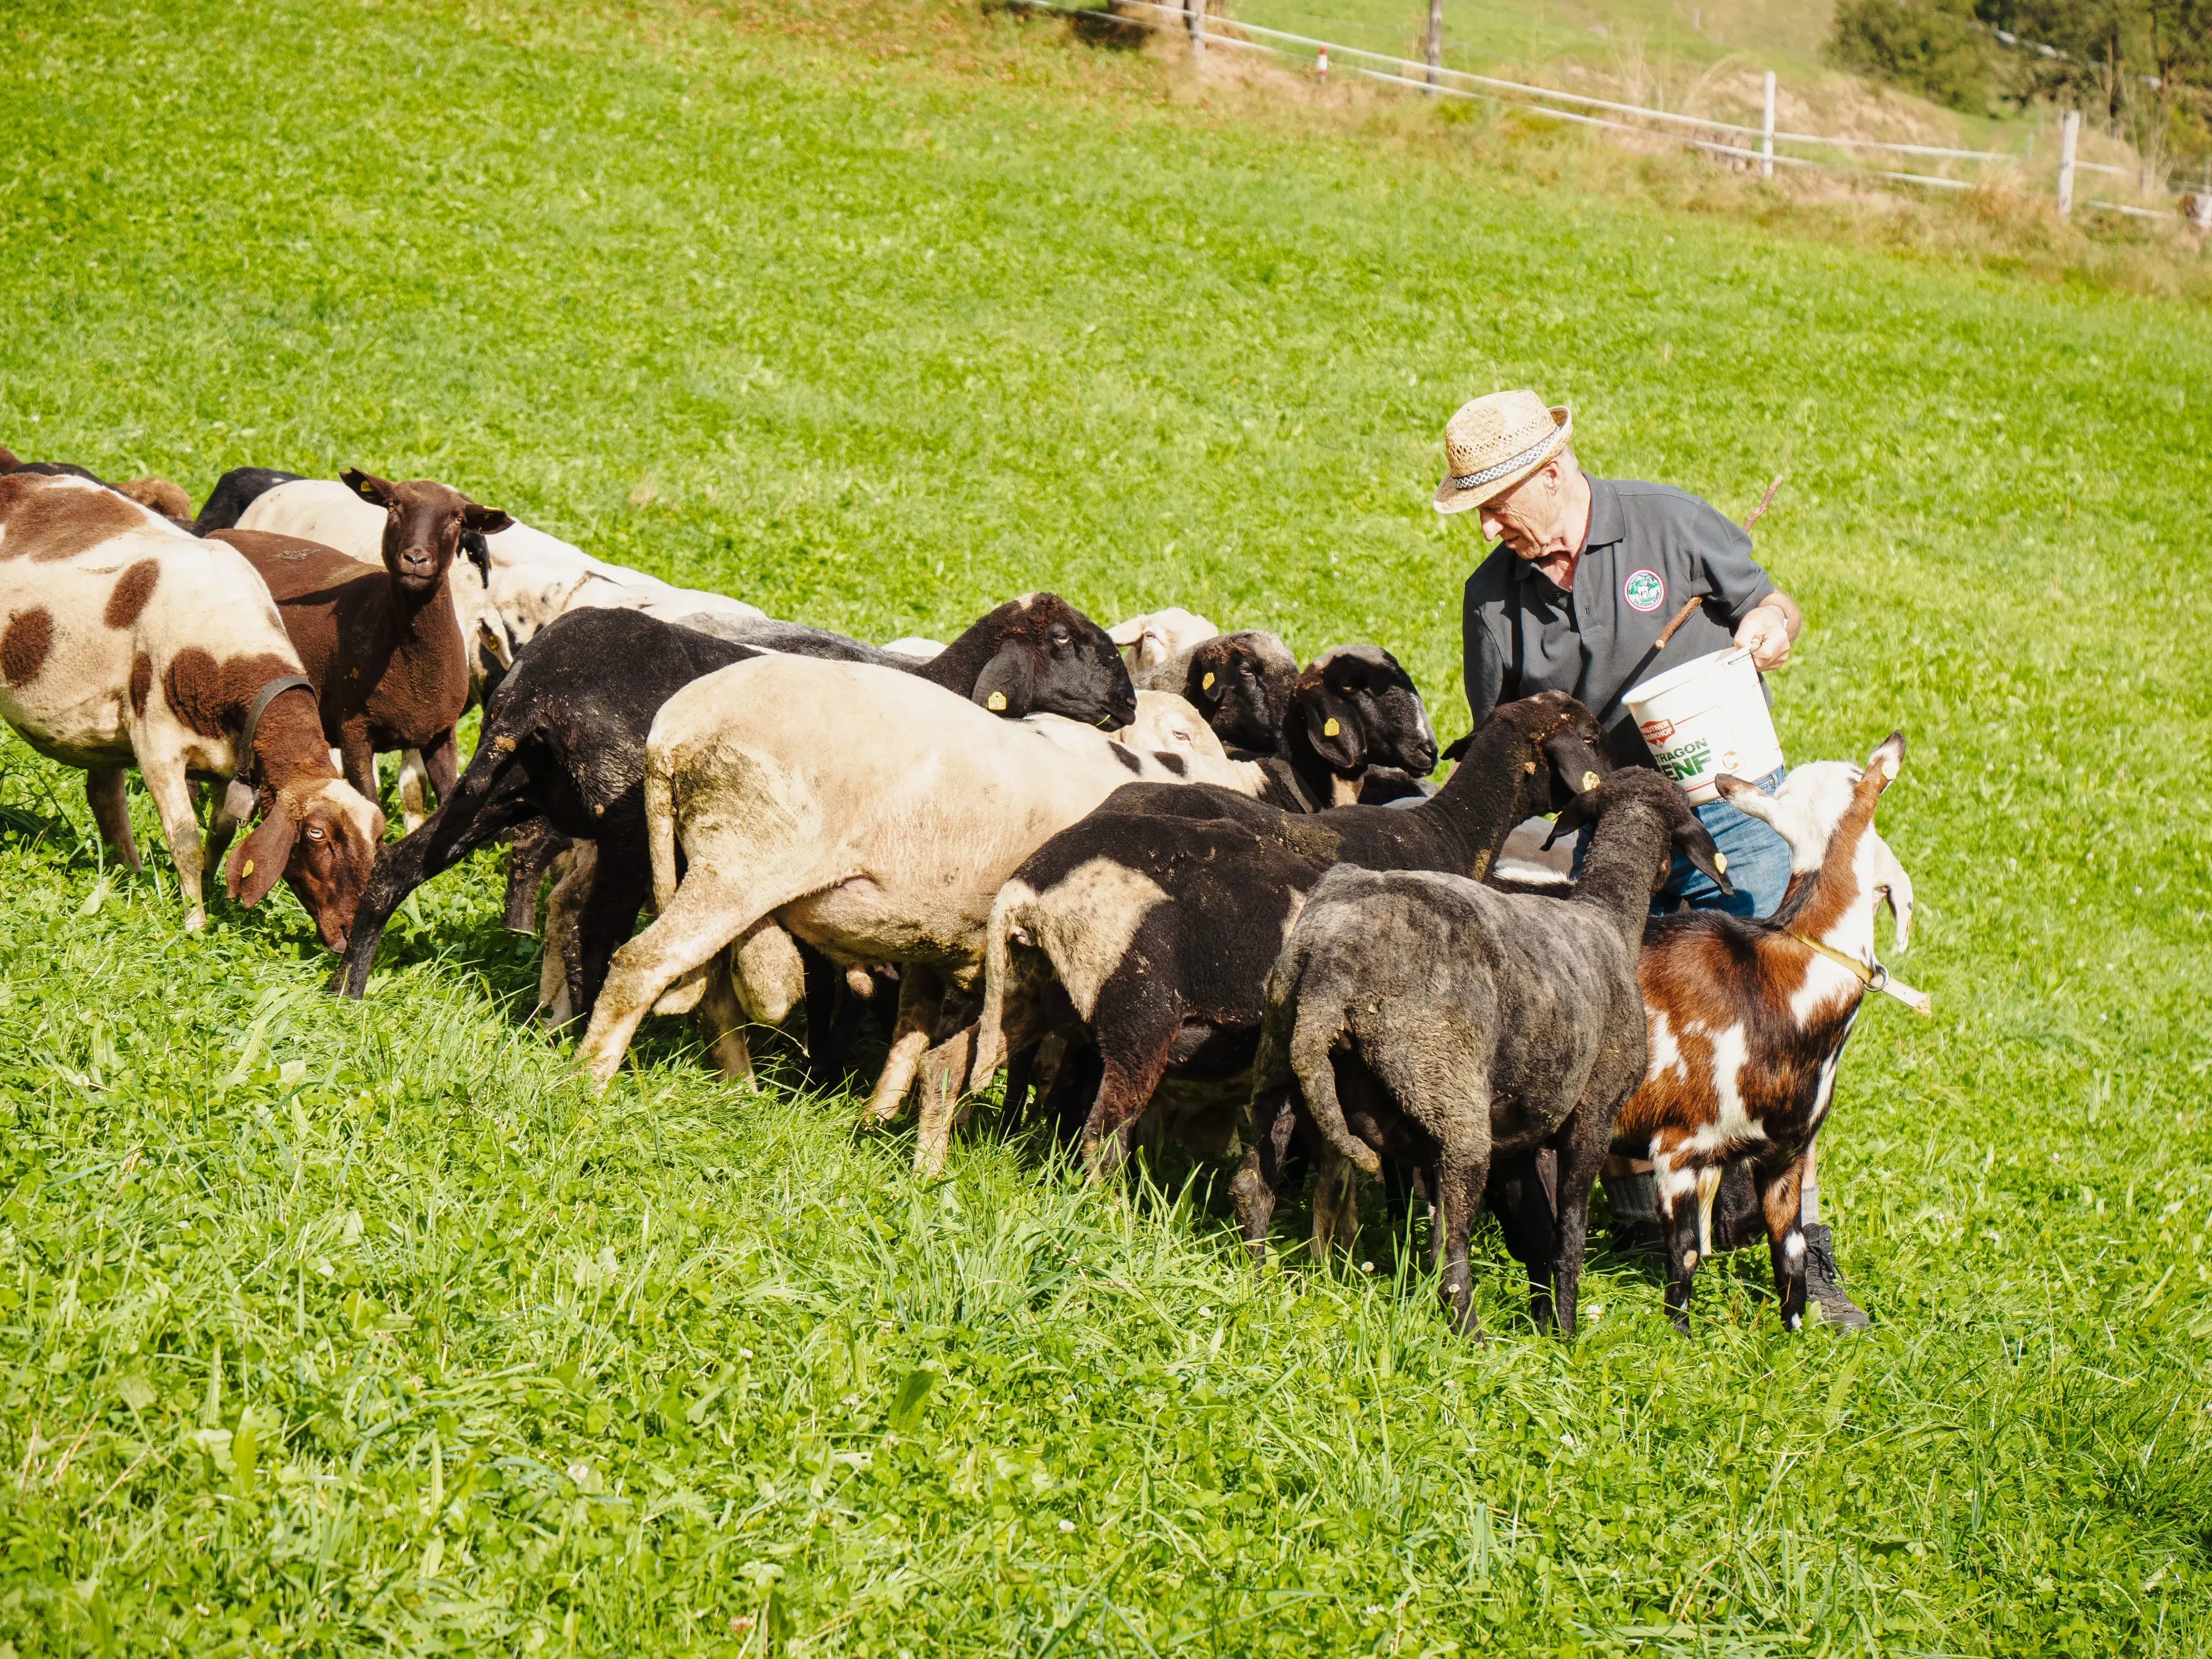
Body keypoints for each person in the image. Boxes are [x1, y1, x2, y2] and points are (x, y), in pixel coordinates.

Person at [1436, 389, 1868, 1330]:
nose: (1485, 520)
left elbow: (1770, 603)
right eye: (1476, 505)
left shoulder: (1666, 523)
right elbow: (1498, 741)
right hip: (1609, 832)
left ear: (1552, 472)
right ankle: (1636, 1204)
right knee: (1612, 993)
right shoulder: (1491, 599)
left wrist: (1767, 633)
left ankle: (1799, 1237)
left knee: (1770, 1014)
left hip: (1732, 808)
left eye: (1498, 498)